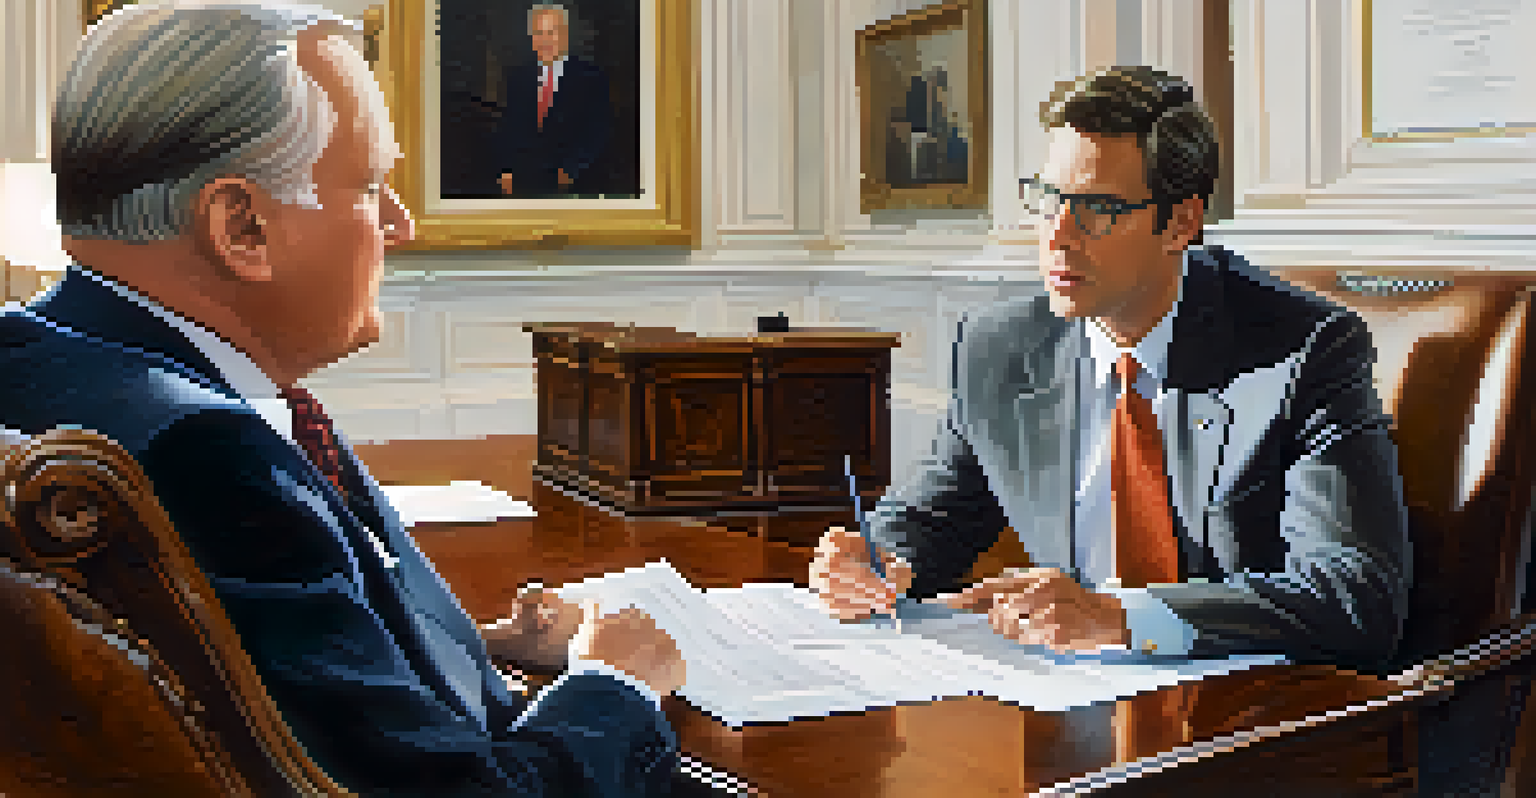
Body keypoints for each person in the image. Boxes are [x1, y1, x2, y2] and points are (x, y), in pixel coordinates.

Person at [2, 3, 684, 795]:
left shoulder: (35, 357)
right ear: (242, 228)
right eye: (370, 186)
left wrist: (462, 645)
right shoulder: (208, 458)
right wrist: (614, 682)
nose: (401, 224)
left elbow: (242, 672)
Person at [810, 65, 1412, 672]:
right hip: (1067, 696)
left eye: (1097, 207)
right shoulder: (1000, 347)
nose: (1058, 237)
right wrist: (874, 561)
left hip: (1245, 705)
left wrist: (1120, 617)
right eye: (1048, 199)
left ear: (1180, 223)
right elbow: (930, 518)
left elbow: (1354, 598)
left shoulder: (1303, 350)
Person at [494, 3, 613, 197]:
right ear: (531, 38)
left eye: (551, 32)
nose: (545, 41)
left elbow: (597, 132)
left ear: (565, 35)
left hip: (575, 184)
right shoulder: (519, 76)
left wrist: (570, 171)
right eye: (538, 33)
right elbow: (509, 128)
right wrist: (505, 170)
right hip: (526, 182)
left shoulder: (590, 77)